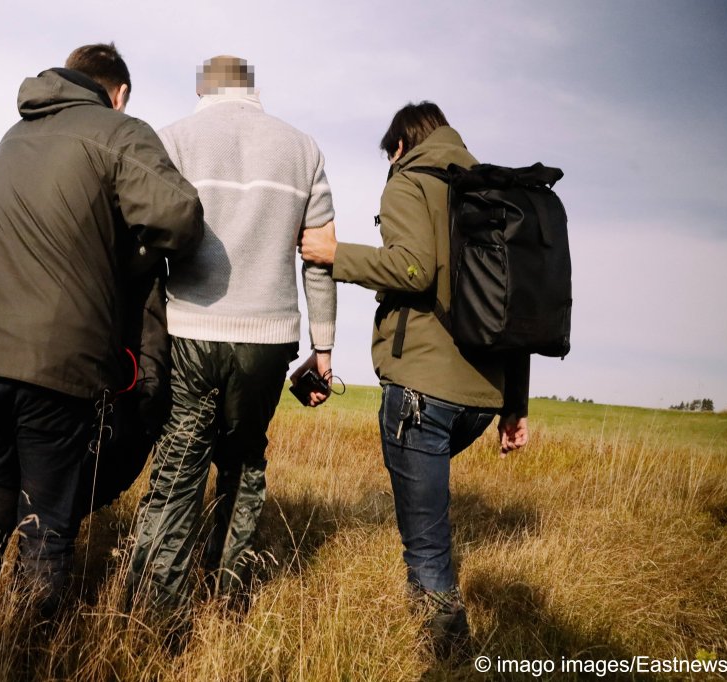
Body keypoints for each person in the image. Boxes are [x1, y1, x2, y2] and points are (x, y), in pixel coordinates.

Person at [0, 43, 203, 672]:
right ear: (120, 92)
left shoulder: (14, 134)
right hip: (54, 364)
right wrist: (138, 256)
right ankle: (23, 660)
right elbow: (181, 216)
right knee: (47, 525)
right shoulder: (116, 130)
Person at [299, 101, 529, 660]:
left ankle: (447, 659)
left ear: (400, 145)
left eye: (388, 154)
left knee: (426, 542)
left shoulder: (410, 182)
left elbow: (413, 267)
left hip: (422, 391)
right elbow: (517, 305)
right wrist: (514, 404)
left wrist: (335, 254)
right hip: (482, 395)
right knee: (430, 524)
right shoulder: (493, 195)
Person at [126, 56, 338, 625]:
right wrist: (324, 348)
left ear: (203, 88)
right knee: (244, 459)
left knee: (180, 460)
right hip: (270, 338)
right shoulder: (304, 147)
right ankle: (229, 599)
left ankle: (157, 612)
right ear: (254, 89)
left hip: (192, 326)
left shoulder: (170, 139)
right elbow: (320, 259)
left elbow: (141, 237)